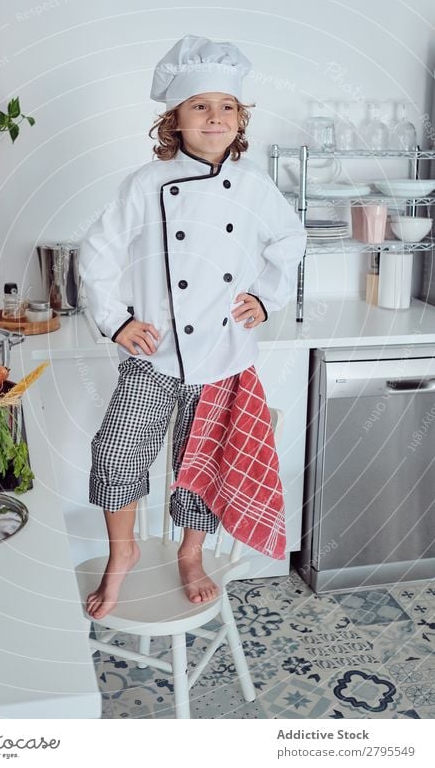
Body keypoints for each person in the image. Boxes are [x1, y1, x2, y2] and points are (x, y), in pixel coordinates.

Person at [79, 35, 306, 619]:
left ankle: (190, 553)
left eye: (226, 106)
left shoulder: (254, 185)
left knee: (200, 461)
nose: (214, 117)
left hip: (224, 352)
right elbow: (98, 250)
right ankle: (122, 549)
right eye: (199, 106)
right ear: (173, 120)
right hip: (154, 352)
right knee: (117, 452)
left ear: (241, 119)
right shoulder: (146, 183)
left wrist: (264, 295)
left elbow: (291, 238)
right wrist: (116, 320)